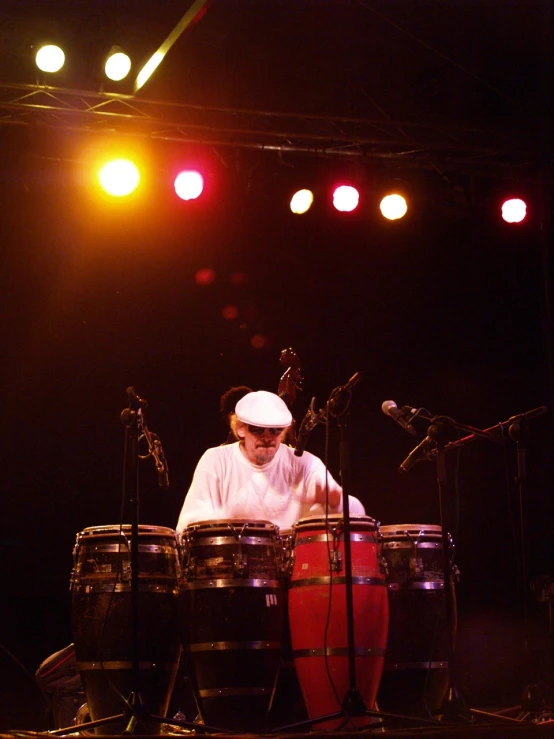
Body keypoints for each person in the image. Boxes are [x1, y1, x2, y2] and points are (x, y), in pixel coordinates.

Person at [176, 390, 365, 532]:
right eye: (257, 429)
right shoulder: (216, 460)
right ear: (240, 429)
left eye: (275, 430)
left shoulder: (305, 464)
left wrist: (337, 500)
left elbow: (358, 513)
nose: (267, 437)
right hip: (232, 569)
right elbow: (191, 522)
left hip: (294, 572)